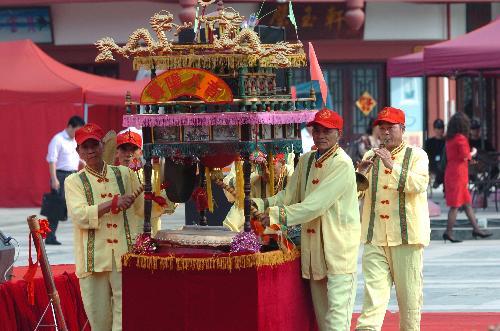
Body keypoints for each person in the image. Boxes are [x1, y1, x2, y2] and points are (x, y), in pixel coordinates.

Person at [256, 108, 360, 331]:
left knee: (336, 322)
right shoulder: (306, 160)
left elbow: (316, 205)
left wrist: (276, 215)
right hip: (313, 252)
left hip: (338, 250)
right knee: (323, 321)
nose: (320, 135)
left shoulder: (342, 163)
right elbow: (288, 196)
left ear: (338, 133)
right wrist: (260, 204)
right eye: (316, 130)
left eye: (327, 131)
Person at [355, 107, 430, 331]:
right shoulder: (369, 156)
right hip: (375, 236)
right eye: (382, 128)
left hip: (406, 238)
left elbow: (418, 184)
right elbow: (355, 195)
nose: (385, 133)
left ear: (403, 129)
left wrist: (392, 165)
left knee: (409, 301)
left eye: (391, 128)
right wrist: (360, 174)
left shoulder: (417, 155)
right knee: (373, 300)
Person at [65, 123, 145, 331]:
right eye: (85, 147)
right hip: (93, 258)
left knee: (125, 313)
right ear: (78, 151)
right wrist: (111, 204)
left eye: (94, 145)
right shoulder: (74, 181)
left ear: (103, 146)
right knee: (98, 319)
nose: (90, 151)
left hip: (123, 255)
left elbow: (143, 208)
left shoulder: (125, 175)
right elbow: (80, 215)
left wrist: (163, 188)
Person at [115, 129, 176, 236]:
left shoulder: (153, 175)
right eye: (124, 149)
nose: (129, 154)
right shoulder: (111, 177)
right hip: (120, 238)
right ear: (117, 153)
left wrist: (161, 200)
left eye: (133, 149)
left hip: (150, 237)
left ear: (141, 152)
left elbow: (170, 207)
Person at [443, 113, 492, 243]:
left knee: (466, 203)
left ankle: (476, 229)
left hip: (452, 172)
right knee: (456, 205)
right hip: (459, 174)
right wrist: (474, 152)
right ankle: (448, 232)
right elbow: (467, 156)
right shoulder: (461, 138)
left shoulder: (450, 138)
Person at [222, 152, 294, 232]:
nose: (266, 172)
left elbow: (291, 202)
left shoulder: (291, 175)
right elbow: (237, 210)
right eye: (262, 167)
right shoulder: (255, 180)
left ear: (283, 164)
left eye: (271, 167)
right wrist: (247, 177)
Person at [45, 115, 85, 245]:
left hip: (74, 175)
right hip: (60, 176)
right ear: (69, 127)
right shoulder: (58, 139)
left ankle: (83, 236)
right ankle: (50, 236)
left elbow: (80, 158)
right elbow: (52, 160)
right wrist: (54, 179)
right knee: (56, 206)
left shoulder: (76, 141)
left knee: (78, 205)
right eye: (77, 130)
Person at [424, 119, 446, 189]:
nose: (439, 130)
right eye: (438, 128)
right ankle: (438, 181)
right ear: (434, 129)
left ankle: (438, 182)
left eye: (441, 128)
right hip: (433, 165)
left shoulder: (447, 142)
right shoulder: (429, 142)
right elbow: (426, 156)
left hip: (444, 165)